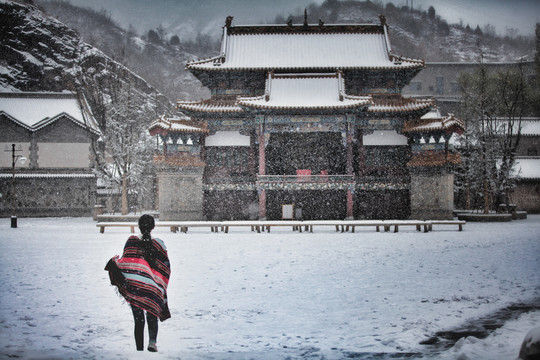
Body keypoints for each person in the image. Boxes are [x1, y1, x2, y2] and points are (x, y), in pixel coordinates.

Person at [105, 214, 171, 352]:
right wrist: (156, 282)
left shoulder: (131, 242)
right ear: (153, 227)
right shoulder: (159, 245)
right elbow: (164, 268)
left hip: (134, 288)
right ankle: (152, 342)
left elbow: (127, 263)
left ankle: (139, 349)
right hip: (152, 288)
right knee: (151, 313)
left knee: (138, 319)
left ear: (139, 227)